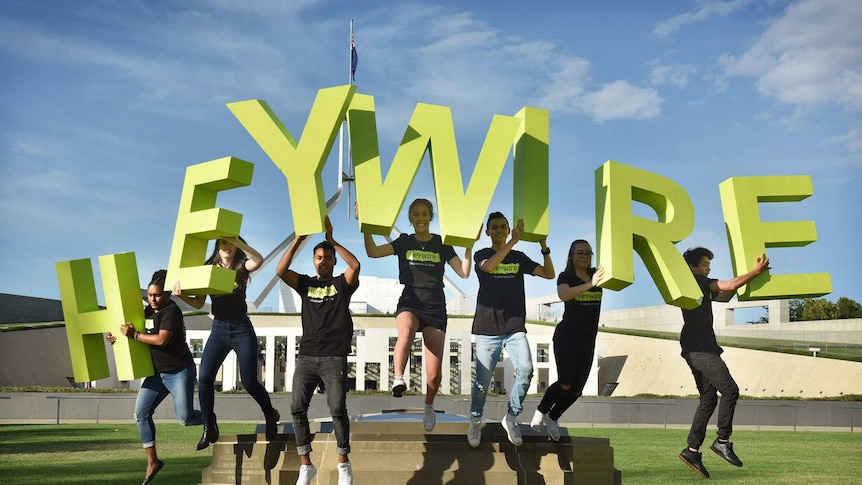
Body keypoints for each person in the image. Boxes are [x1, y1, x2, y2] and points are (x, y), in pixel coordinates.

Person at [363, 198, 473, 431]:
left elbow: (463, 273)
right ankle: (399, 378)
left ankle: (429, 404)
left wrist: (469, 246)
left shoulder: (442, 244)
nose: (420, 218)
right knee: (406, 332)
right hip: (410, 301)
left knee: (434, 377)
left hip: (435, 307)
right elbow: (372, 252)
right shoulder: (404, 241)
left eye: (424, 214)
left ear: (431, 217)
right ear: (410, 219)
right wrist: (366, 227)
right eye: (416, 215)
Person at [173, 236, 280, 450]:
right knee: (204, 377)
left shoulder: (242, 266)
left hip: (241, 328)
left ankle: (270, 413)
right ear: (216, 246)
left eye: (230, 242)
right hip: (219, 329)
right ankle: (209, 425)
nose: (227, 246)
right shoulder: (208, 268)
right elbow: (199, 301)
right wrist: (182, 295)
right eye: (222, 242)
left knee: (249, 382)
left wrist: (237, 241)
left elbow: (258, 259)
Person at [276, 216, 360, 485]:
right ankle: (306, 466)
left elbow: (355, 265)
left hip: (334, 356)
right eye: (318, 257)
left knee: (337, 408)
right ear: (313, 260)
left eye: (327, 257)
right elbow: (280, 270)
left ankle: (344, 464)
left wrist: (332, 238)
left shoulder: (341, 285)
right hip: (307, 357)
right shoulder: (305, 284)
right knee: (297, 408)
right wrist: (299, 240)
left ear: (333, 261)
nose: (323, 261)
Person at [677, 247, 769, 479]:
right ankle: (722, 441)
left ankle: (692, 450)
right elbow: (727, 286)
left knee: (708, 400)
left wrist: (743, 283)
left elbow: (726, 294)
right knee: (730, 390)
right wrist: (756, 272)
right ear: (693, 267)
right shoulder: (698, 281)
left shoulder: (696, 286)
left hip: (694, 349)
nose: (709, 268)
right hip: (702, 350)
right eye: (705, 263)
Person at [106, 269, 202, 484]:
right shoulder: (149, 311)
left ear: (167, 294)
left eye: (157, 295)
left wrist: (135, 335)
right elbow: (130, 330)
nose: (153, 299)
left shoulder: (171, 311)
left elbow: (160, 340)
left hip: (179, 371)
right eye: (150, 295)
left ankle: (209, 420)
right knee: (140, 413)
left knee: (185, 419)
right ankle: (153, 462)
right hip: (157, 374)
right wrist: (116, 337)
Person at [468, 212, 555, 448]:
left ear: (508, 229)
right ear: (487, 232)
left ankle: (512, 416)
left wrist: (544, 246)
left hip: (514, 326)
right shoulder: (482, 254)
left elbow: (549, 274)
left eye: (503, 227)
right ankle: (475, 418)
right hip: (487, 328)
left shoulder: (518, 257)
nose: (499, 230)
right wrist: (513, 241)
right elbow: (489, 267)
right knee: (482, 383)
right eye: (494, 227)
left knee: (526, 370)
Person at [530, 240, 605, 441]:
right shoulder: (567, 277)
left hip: (588, 340)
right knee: (565, 383)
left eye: (588, 253)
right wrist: (590, 284)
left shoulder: (597, 274)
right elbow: (563, 295)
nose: (585, 256)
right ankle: (541, 411)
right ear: (571, 255)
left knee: (577, 390)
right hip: (567, 337)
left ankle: (553, 417)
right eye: (580, 253)